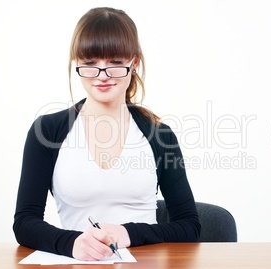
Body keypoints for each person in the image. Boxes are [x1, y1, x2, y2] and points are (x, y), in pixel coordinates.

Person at [13, 7, 200, 261]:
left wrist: (128, 233)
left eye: (115, 63)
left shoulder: (159, 135)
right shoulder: (46, 131)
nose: (102, 75)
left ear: (134, 63)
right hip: (77, 263)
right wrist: (72, 243)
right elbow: (24, 222)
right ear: (76, 62)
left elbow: (189, 225)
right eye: (90, 64)